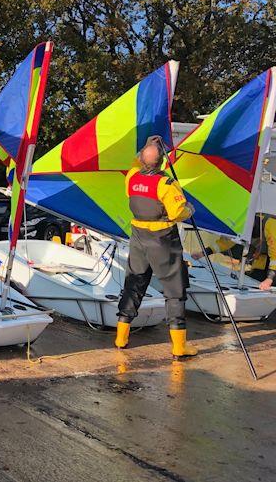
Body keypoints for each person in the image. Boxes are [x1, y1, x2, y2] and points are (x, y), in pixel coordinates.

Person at [115, 137, 198, 359]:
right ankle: (179, 347)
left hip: (139, 238)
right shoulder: (167, 184)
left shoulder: (131, 178)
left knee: (134, 283)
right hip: (163, 240)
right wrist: (189, 209)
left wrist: (149, 144)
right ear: (162, 162)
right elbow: (177, 213)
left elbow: (135, 164)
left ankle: (121, 337)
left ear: (142, 159)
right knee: (174, 290)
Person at [192, 213, 276, 291]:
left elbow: (275, 254)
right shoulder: (242, 222)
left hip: (273, 264)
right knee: (252, 282)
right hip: (263, 263)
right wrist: (203, 253)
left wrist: (269, 278)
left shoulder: (271, 223)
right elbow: (225, 242)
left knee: (267, 285)